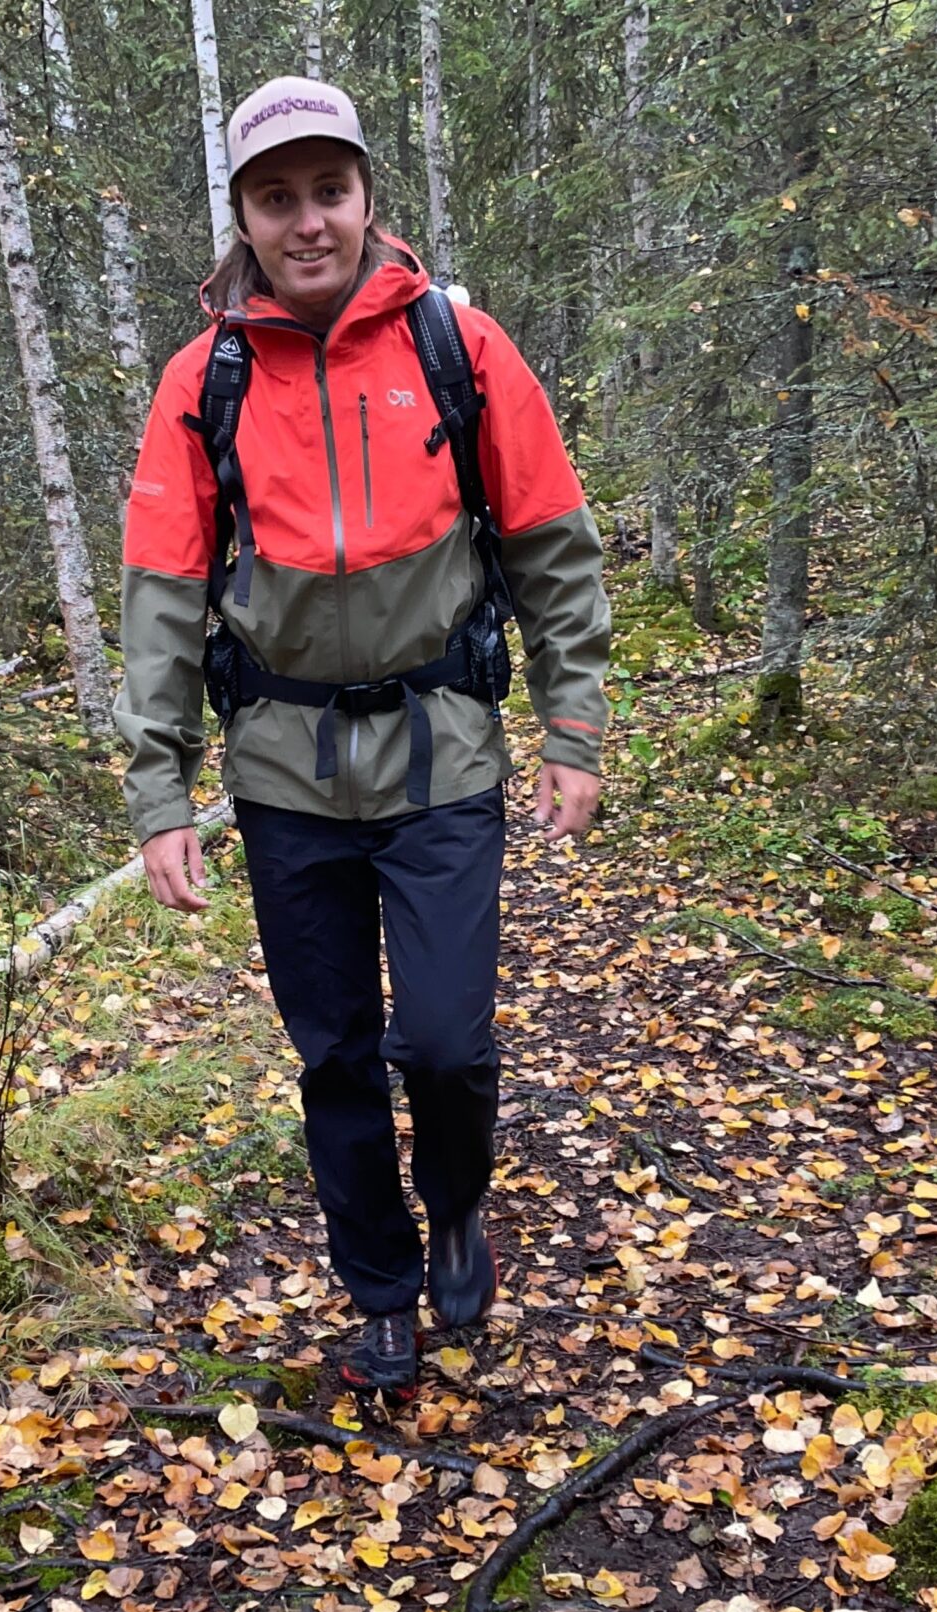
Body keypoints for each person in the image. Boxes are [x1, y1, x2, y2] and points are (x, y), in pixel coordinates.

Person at [116, 75, 610, 1398]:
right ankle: (378, 1283)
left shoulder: (461, 348)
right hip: (283, 774)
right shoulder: (203, 377)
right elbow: (163, 591)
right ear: (244, 217)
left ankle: (457, 1201)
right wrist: (159, 789)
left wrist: (575, 723)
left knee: (444, 1040)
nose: (308, 221)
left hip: (445, 750)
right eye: (278, 199)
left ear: (367, 195)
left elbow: (554, 547)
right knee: (332, 1048)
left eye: (328, 190)